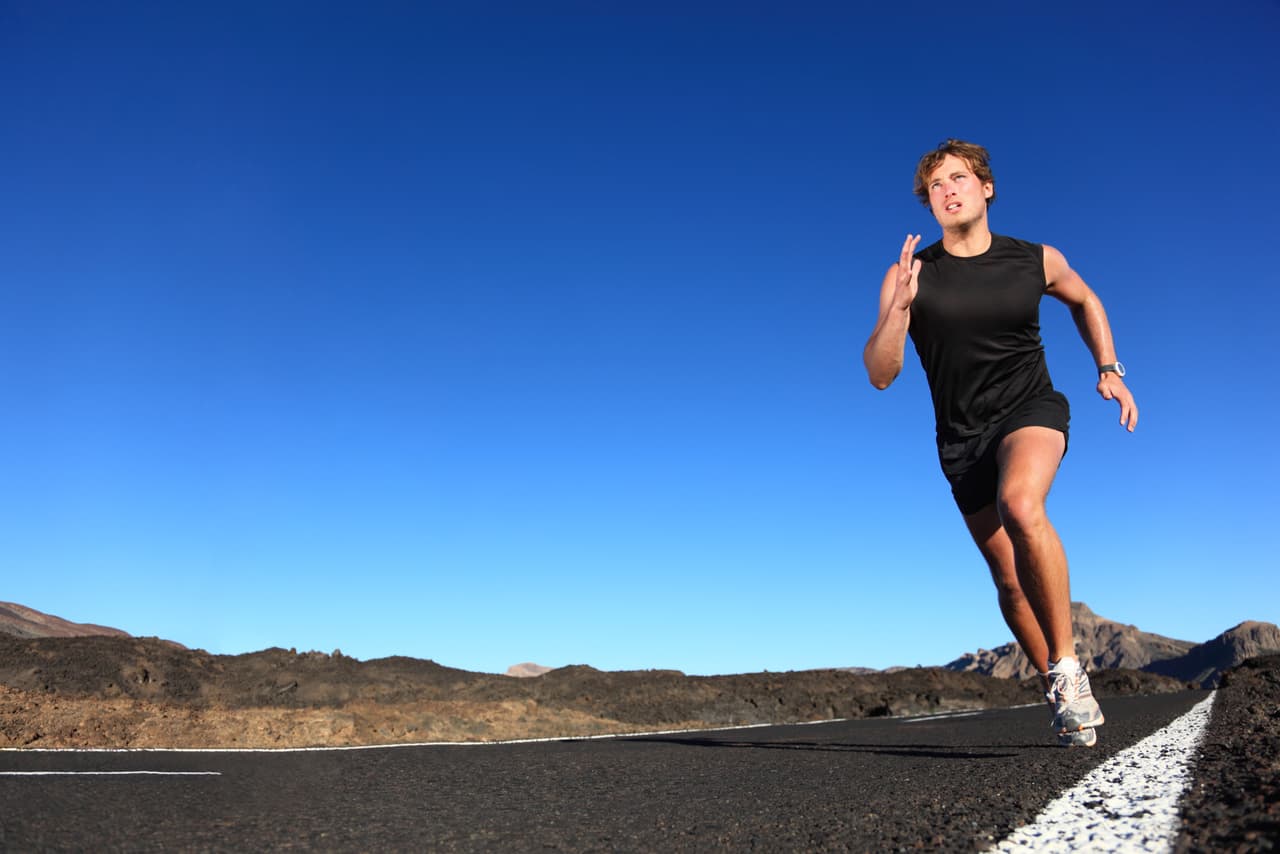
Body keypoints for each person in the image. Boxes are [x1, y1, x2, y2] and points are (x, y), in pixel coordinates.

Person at [863, 139, 1138, 748]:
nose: (948, 191)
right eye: (936, 185)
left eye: (959, 178)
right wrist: (899, 311)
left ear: (986, 188)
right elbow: (881, 373)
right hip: (961, 439)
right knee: (1010, 584)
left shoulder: (1035, 259)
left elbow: (1085, 299)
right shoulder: (910, 274)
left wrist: (1109, 367)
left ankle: (1068, 667)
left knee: (1021, 504)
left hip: (1030, 410)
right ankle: (1055, 686)